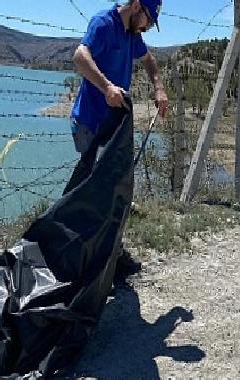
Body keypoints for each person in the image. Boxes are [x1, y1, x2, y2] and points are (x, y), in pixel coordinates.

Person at [67, 0, 169, 275]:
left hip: (113, 127)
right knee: (97, 194)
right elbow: (80, 56)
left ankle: (110, 254)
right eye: (148, 19)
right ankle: (89, 259)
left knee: (114, 191)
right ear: (136, 6)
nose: (147, 27)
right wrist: (107, 87)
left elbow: (148, 59)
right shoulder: (104, 23)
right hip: (90, 124)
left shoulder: (131, 34)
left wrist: (158, 88)